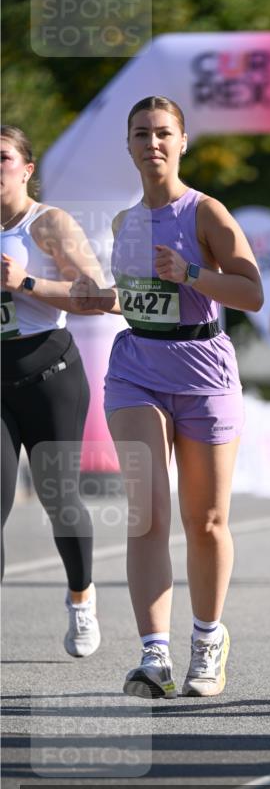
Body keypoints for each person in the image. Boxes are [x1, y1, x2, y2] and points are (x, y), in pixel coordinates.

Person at [72, 96, 263, 699]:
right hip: (136, 369)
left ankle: (207, 641)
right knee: (148, 511)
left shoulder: (206, 213)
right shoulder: (123, 224)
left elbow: (252, 292)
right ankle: (153, 656)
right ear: (127, 147)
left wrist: (191, 274)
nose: (152, 144)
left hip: (203, 367)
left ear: (183, 143)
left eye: (162, 134)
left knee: (204, 521)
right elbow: (127, 300)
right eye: (140, 135)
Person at [1, 125, 103, 657]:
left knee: (59, 499)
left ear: (26, 168)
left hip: (48, 376)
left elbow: (97, 295)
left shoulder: (48, 224)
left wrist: (26, 283)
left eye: (2, 158)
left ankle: (82, 597)